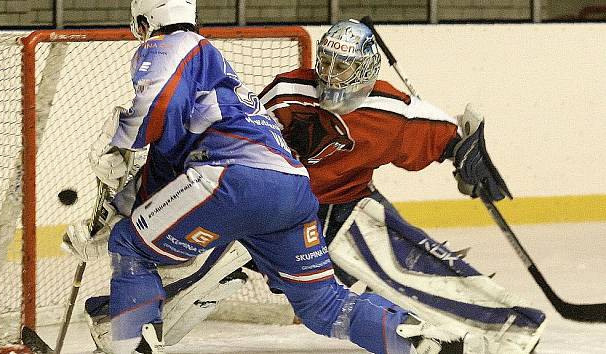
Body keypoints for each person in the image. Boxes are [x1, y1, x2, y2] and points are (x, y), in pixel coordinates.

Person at [63, 2, 463, 354]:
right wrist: (122, 206)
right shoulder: (225, 88)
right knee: (323, 305)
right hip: (292, 191)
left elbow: (156, 111)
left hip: (233, 183)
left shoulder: (172, 46)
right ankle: (421, 341)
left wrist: (118, 146)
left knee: (131, 248)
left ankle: (129, 345)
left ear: (148, 19)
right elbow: (166, 161)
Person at [256, 19, 548, 353]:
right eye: (328, 61)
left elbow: (449, 136)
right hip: (283, 208)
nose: (331, 74)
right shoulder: (285, 94)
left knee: (415, 267)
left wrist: (466, 155)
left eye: (344, 66)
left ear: (365, 69)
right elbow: (245, 146)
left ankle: (510, 329)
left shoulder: (390, 109)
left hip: (345, 204)